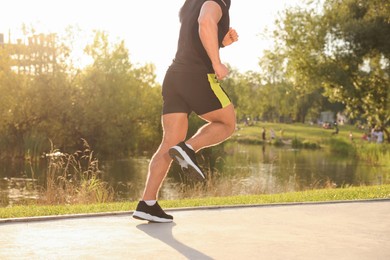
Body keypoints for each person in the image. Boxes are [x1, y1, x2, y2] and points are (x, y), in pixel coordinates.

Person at [132, 0, 238, 223]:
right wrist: (217, 62)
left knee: (169, 143)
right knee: (227, 124)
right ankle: (188, 149)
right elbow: (204, 22)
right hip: (197, 76)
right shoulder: (216, 2)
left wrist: (221, 42)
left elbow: (195, 35)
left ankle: (147, 203)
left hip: (175, 76)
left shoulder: (190, 3)